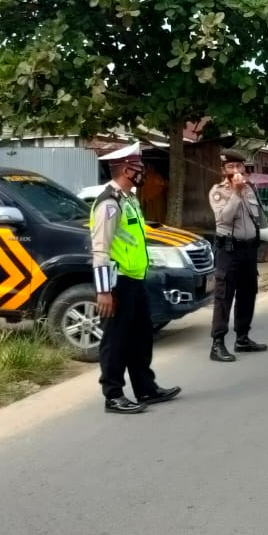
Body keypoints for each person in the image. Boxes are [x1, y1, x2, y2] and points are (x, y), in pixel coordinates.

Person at [90, 143, 181, 414]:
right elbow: (100, 249)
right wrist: (104, 291)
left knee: (141, 338)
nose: (144, 172)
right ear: (126, 169)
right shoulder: (109, 203)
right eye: (140, 167)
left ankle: (145, 388)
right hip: (118, 283)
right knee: (116, 341)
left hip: (136, 278)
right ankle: (113, 395)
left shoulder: (129, 200)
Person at [207, 148, 268, 363]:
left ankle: (242, 337)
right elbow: (224, 219)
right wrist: (236, 192)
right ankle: (217, 344)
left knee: (247, 293)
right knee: (224, 296)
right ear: (223, 170)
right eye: (231, 167)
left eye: (239, 166)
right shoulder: (218, 191)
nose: (236, 170)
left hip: (249, 250)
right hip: (228, 250)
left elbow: (259, 217)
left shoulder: (251, 189)